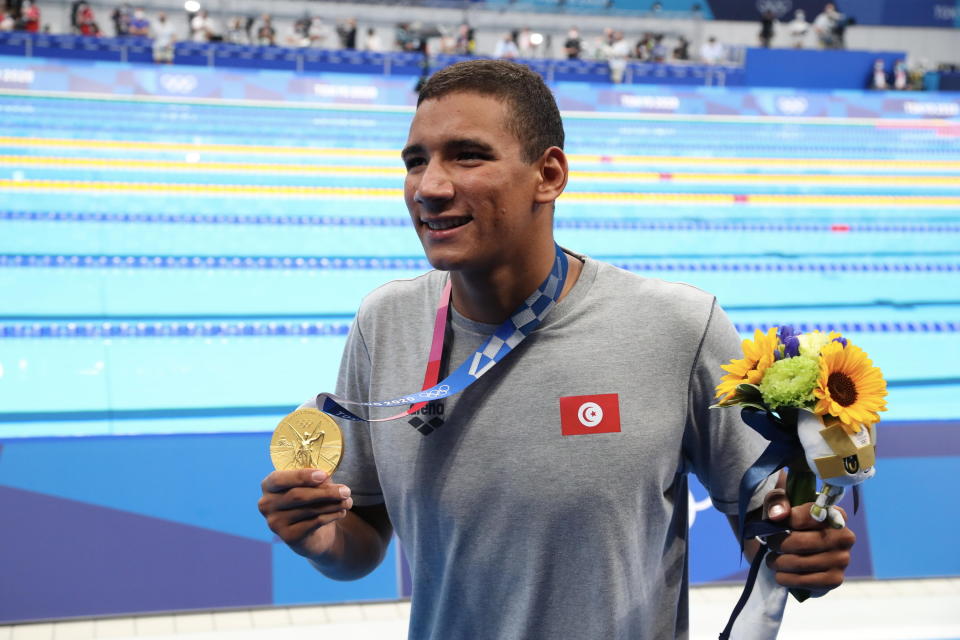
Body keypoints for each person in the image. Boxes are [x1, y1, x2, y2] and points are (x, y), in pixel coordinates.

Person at [258, 59, 856, 640]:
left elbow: (764, 521)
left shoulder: (676, 325)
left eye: (467, 155)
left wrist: (803, 543)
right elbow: (361, 543)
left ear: (549, 175)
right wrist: (320, 538)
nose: (430, 187)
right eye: (416, 161)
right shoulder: (384, 323)